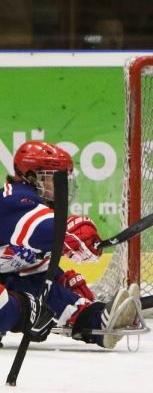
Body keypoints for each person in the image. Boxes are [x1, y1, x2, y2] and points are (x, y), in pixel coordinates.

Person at [0, 140, 140, 349]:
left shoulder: (37, 207)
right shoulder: (13, 199)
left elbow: (29, 271)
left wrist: (64, 287)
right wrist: (67, 231)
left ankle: (96, 320)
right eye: (53, 179)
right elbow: (38, 225)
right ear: (32, 178)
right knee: (17, 307)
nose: (60, 185)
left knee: (49, 290)